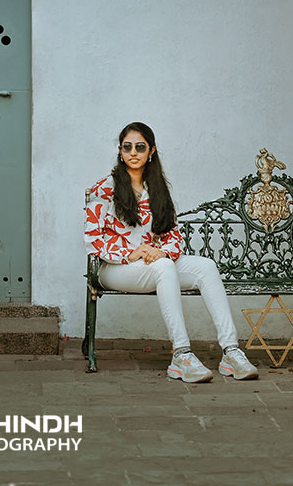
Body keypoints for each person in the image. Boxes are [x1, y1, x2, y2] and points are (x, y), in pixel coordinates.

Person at [84, 121, 258, 382]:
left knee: (206, 267)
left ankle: (231, 351)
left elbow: (173, 234)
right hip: (114, 268)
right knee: (163, 268)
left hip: (152, 265)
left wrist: (162, 252)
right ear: (120, 151)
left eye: (140, 147)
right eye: (127, 147)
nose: (133, 152)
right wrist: (131, 253)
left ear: (151, 151)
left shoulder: (157, 188)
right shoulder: (105, 189)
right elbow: (93, 241)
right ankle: (181, 355)